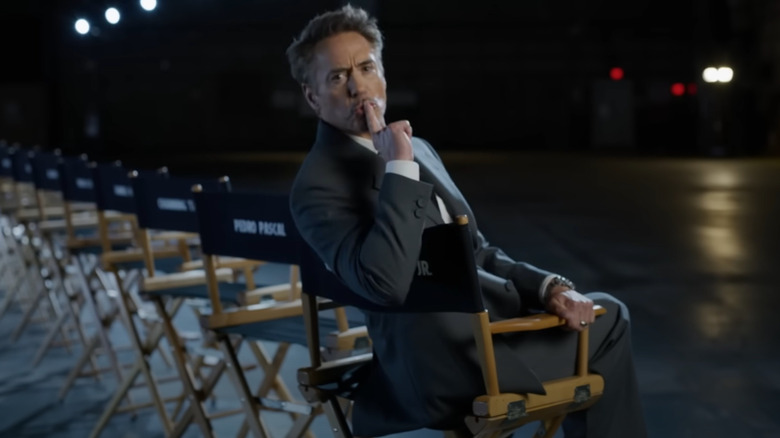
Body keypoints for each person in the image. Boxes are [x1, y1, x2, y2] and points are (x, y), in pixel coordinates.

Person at [287, 5, 647, 437]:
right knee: (612, 321)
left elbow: (474, 250)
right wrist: (398, 169)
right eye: (337, 77)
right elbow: (384, 285)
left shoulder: (417, 148)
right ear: (312, 96)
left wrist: (549, 287)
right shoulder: (319, 185)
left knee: (595, 309)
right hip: (440, 371)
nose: (358, 86)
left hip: (481, 338)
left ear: (383, 73)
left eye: (366, 68)